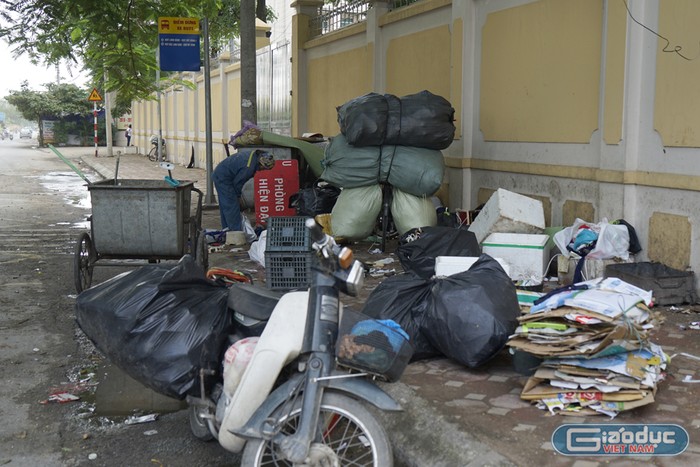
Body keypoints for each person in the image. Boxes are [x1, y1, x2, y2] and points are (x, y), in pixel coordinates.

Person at [213, 148, 275, 232]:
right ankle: (236, 233)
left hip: (221, 173)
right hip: (223, 178)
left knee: (226, 205)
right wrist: (238, 198)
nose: (262, 170)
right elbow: (237, 184)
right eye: (263, 168)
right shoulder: (248, 168)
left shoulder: (254, 156)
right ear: (261, 164)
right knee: (232, 205)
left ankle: (227, 230)